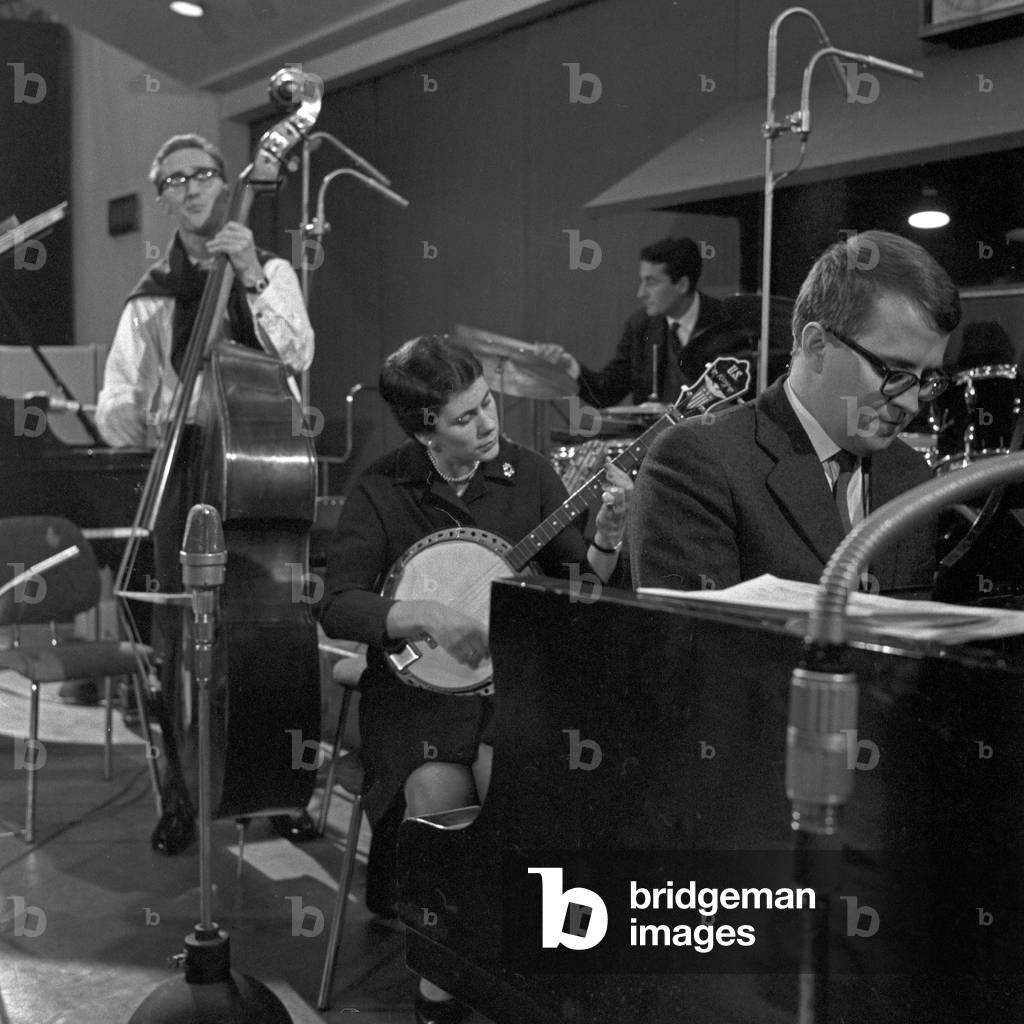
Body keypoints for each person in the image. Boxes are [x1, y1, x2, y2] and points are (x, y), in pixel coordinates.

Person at [317, 334, 631, 1024]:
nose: (488, 425)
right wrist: (417, 610)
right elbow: (338, 602)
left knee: (510, 789)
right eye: (465, 418)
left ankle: (530, 965)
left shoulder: (533, 476)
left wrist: (607, 534)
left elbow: (584, 587)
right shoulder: (383, 488)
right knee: (433, 793)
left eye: (488, 405)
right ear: (423, 427)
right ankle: (441, 982)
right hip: (416, 700)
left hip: (509, 690)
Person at [95, 133, 317, 853]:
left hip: (255, 466)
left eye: (203, 175)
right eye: (174, 179)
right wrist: (136, 416)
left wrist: (249, 273)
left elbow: (297, 355)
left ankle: (276, 786)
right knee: (168, 641)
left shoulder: (271, 269)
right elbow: (114, 403)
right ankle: (180, 793)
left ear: (225, 184)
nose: (190, 188)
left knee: (271, 640)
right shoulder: (150, 299)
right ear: (162, 197)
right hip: (183, 466)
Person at [630, 230, 962, 594]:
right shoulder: (697, 462)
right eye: (895, 373)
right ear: (817, 345)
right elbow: (694, 644)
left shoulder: (911, 474)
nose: (911, 403)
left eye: (927, 378)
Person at [536, 236, 737, 407]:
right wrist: (568, 365)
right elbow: (606, 392)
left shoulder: (727, 322)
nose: (640, 293)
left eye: (651, 282)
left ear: (682, 284)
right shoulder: (641, 326)